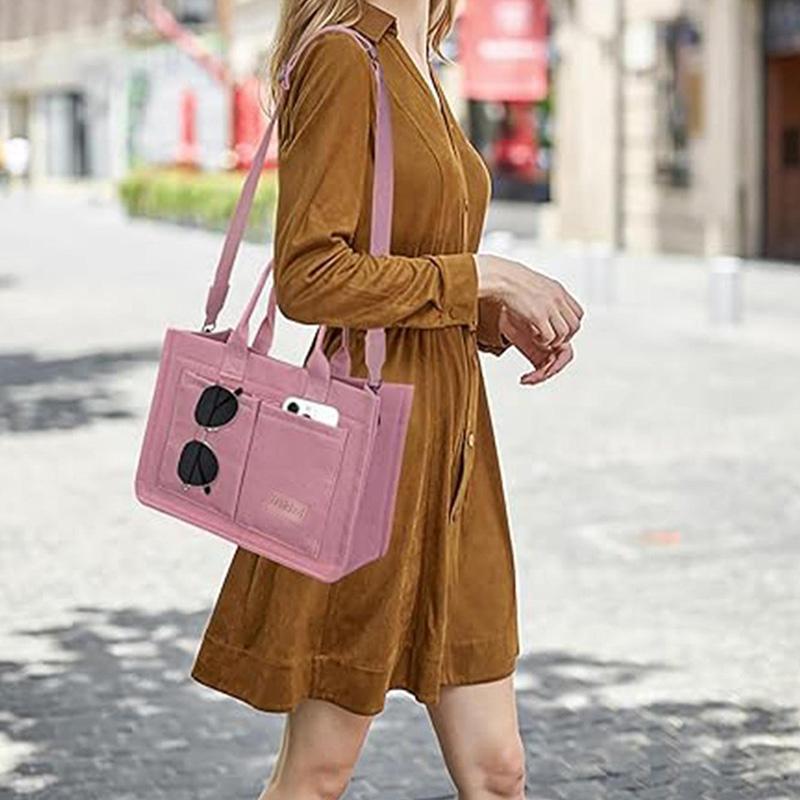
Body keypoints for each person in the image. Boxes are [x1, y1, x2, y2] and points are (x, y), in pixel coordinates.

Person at [190, 1, 583, 797]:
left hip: (456, 456)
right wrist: (485, 275)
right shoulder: (344, 55)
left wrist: (492, 316)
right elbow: (310, 276)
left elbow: (410, 250)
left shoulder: (421, 56)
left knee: (498, 771)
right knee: (318, 772)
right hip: (367, 454)